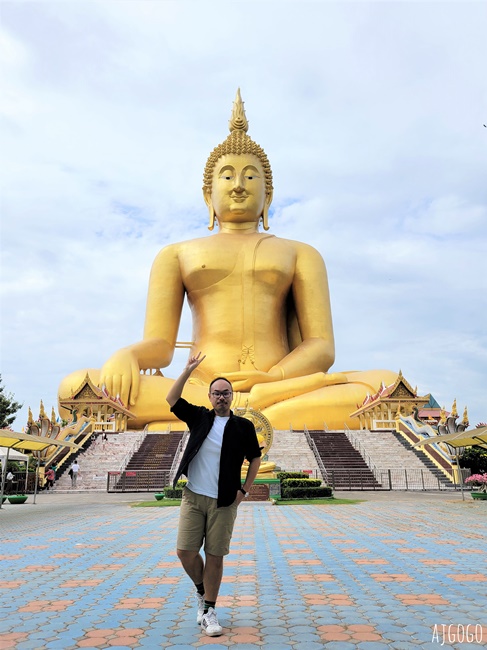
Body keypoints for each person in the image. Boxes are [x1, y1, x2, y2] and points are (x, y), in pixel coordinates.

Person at [58, 90, 397, 431]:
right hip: (198, 386)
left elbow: (321, 347)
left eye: (250, 177)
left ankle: (216, 415)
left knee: (381, 382)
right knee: (75, 386)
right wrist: (128, 355)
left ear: (269, 195)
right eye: (227, 176)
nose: (238, 186)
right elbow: (161, 348)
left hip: (279, 385)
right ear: (209, 195)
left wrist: (271, 377)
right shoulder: (177, 254)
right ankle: (257, 413)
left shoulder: (301, 253)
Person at [166, 352, 261, 637]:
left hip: (224, 500)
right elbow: (171, 399)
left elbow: (255, 458)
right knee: (185, 551)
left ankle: (209, 610)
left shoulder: (243, 426)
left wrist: (245, 489)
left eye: (226, 393)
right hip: (194, 495)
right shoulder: (198, 417)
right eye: (217, 393)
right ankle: (201, 591)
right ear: (209, 396)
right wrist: (187, 370)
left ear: (233, 396)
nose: (221, 397)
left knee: (215, 555)